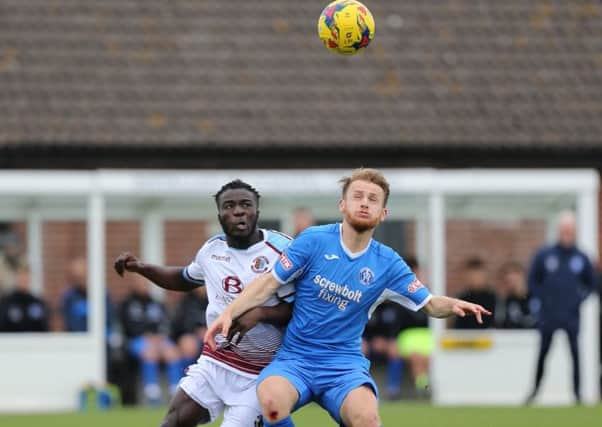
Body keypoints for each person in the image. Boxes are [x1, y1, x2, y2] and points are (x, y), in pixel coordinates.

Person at [206, 168, 491, 427]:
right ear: (343, 205)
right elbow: (267, 284)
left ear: (383, 213)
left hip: (344, 365)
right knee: (270, 402)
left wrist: (452, 304)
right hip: (296, 358)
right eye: (357, 196)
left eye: (373, 199)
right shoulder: (313, 241)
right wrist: (230, 312)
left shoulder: (388, 263)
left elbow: (429, 304)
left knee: (367, 419)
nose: (365, 203)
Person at [114, 179, 294, 427]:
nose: (238, 211)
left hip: (260, 373)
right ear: (219, 215)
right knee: (172, 422)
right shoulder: (211, 250)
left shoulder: (283, 250)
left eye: (245, 204)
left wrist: (261, 313)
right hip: (216, 361)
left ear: (257, 212)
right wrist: (141, 267)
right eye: (229, 206)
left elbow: (302, 308)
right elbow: (182, 279)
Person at [525, 211, 595, 405]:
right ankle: (534, 392)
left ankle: (577, 395)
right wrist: (542, 299)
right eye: (564, 229)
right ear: (558, 230)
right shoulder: (545, 254)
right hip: (548, 315)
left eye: (570, 230)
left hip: (571, 316)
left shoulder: (581, 257)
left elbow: (591, 284)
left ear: (575, 232)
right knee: (543, 354)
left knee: (575, 354)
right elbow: (532, 281)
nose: (567, 233)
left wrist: (579, 299)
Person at [119, 274, 182, 405]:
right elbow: (127, 327)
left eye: (146, 283)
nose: (144, 286)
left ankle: (175, 390)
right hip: (136, 340)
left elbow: (166, 324)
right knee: (149, 352)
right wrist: (146, 336)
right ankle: (152, 393)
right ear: (134, 284)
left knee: (172, 352)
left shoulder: (157, 304)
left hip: (159, 340)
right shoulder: (126, 304)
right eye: (140, 283)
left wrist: (160, 336)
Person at [395, 256, 432, 398]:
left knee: (429, 357)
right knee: (416, 357)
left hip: (426, 334)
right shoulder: (397, 292)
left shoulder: (428, 291)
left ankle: (426, 385)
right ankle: (422, 388)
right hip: (407, 335)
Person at [0, 261, 49, 332]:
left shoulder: (38, 303)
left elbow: (44, 329)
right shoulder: (6, 303)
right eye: (21, 275)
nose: (23, 279)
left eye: (26, 276)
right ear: (16, 278)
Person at [170, 286, 209, 373]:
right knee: (188, 343)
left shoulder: (216, 301)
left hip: (212, 336)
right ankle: (186, 376)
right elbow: (180, 325)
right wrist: (196, 331)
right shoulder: (186, 302)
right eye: (201, 284)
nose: (203, 287)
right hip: (191, 337)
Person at [453, 257, 497, 329]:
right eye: (472, 276)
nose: (475, 279)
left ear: (484, 276)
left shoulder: (493, 299)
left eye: (478, 275)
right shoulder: (463, 299)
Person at [495, 261, 538, 329]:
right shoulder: (506, 302)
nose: (510, 278)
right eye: (507, 280)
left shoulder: (537, 297)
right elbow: (500, 325)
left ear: (522, 275)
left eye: (514, 276)